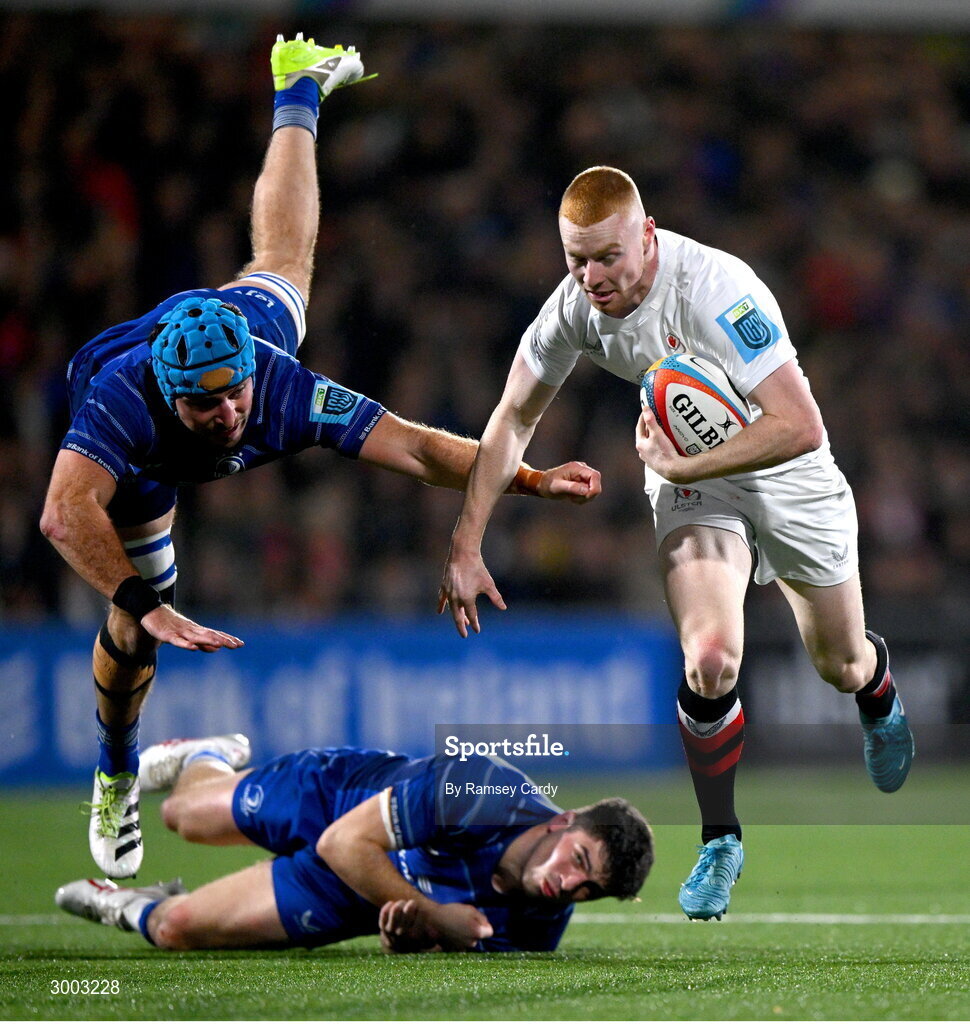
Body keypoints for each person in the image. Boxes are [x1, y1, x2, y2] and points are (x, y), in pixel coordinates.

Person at [40, 35, 601, 881]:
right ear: (172, 392)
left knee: (285, 268)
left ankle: (296, 85)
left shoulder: (274, 378)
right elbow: (62, 511)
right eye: (208, 403)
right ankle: (115, 771)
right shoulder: (127, 401)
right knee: (135, 627)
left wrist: (525, 476)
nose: (231, 414)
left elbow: (413, 447)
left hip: (241, 322)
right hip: (147, 473)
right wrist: (144, 604)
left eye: (236, 395)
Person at [437, 165, 915, 921]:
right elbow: (511, 421)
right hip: (695, 481)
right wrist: (467, 542)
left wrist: (683, 461)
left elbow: (800, 426)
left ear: (648, 236)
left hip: (788, 473)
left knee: (838, 661)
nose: (591, 277)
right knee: (712, 655)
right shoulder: (570, 311)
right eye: (575, 260)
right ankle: (721, 837)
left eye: (607, 257)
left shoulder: (718, 289)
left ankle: (876, 688)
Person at [55, 734, 654, 952]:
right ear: (562, 821)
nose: (568, 885)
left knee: (175, 930)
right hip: (339, 801)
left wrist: (409, 936)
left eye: (589, 889)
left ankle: (121, 901)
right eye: (579, 860)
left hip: (355, 894)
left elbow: (428, 950)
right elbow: (345, 843)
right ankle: (207, 756)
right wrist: (432, 914)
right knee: (182, 815)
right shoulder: (484, 790)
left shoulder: (540, 924)